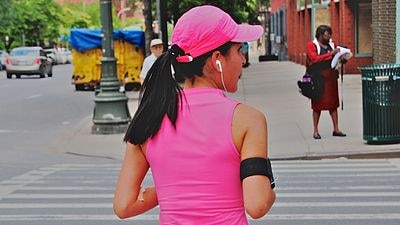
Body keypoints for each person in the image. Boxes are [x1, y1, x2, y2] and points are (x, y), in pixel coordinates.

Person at [113, 5, 276, 224]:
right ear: (217, 58)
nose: (243, 60)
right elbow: (257, 204)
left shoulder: (149, 118)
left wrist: (176, 190)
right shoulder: (248, 120)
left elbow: (124, 205)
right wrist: (268, 188)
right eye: (239, 51)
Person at [306, 25, 346, 139]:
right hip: (318, 78)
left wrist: (342, 58)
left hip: (331, 78)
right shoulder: (312, 45)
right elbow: (314, 59)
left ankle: (336, 129)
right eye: (327, 34)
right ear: (320, 35)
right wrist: (331, 54)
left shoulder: (332, 45)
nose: (329, 36)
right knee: (317, 105)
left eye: (330, 34)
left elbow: (336, 57)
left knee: (333, 104)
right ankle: (315, 131)